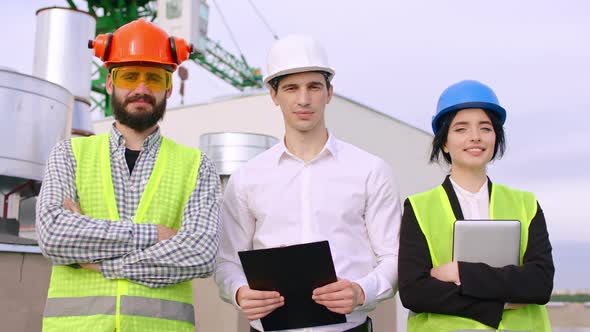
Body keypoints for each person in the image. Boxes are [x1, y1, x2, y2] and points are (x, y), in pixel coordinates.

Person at [36, 18, 221, 332]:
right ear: (110, 83)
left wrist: (100, 260)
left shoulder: (196, 165)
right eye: (129, 76)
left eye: (154, 78)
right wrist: (155, 236)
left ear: (169, 87)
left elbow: (201, 253)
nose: (141, 88)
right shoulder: (69, 153)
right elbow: (53, 234)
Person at [214, 34, 401, 332]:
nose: (303, 99)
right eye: (291, 88)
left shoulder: (370, 171)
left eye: (314, 86)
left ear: (329, 92)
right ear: (274, 96)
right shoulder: (247, 178)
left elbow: (393, 257)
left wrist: (361, 291)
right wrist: (239, 292)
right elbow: (226, 263)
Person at [398, 80, 554, 331]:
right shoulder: (418, 208)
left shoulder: (526, 204)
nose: (475, 137)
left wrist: (460, 272)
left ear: (496, 137)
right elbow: (414, 292)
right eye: (461, 129)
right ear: (445, 142)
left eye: (485, 128)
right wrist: (498, 304)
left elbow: (540, 283)